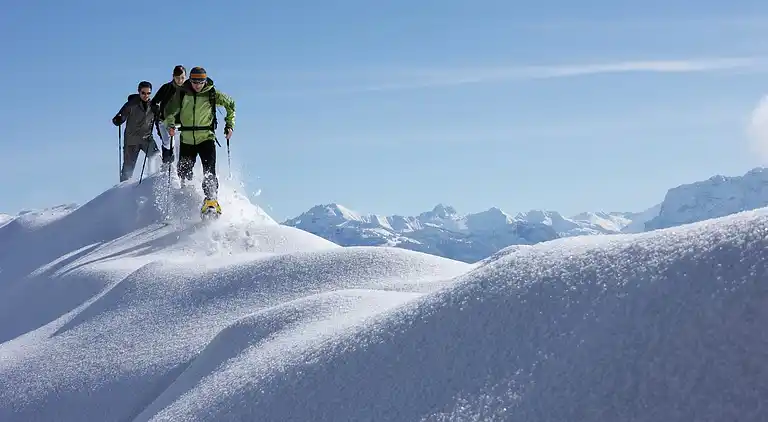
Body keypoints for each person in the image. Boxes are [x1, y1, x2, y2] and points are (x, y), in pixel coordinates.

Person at [163, 66, 235, 216]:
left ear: (205, 81)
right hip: (187, 138)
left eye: (200, 81)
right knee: (184, 171)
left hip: (206, 138)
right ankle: (187, 201)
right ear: (190, 79)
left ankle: (211, 201)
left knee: (209, 170)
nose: (197, 85)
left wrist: (229, 125)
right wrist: (170, 124)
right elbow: (169, 111)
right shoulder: (182, 92)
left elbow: (231, 105)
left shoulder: (212, 93)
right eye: (194, 81)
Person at [112, 81, 161, 182]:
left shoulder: (153, 106)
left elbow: (158, 123)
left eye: (148, 93)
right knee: (128, 168)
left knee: (156, 157)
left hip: (146, 138)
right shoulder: (131, 104)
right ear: (139, 92)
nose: (146, 95)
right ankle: (122, 190)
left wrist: (159, 116)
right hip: (132, 140)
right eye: (143, 93)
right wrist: (118, 119)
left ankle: (153, 180)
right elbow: (121, 116)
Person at [150, 65, 186, 156]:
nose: (180, 80)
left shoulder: (187, 90)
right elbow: (154, 102)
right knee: (168, 144)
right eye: (178, 78)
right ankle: (166, 165)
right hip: (164, 121)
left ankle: (180, 169)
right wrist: (158, 112)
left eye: (182, 78)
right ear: (173, 76)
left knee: (180, 148)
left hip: (180, 124)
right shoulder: (166, 88)